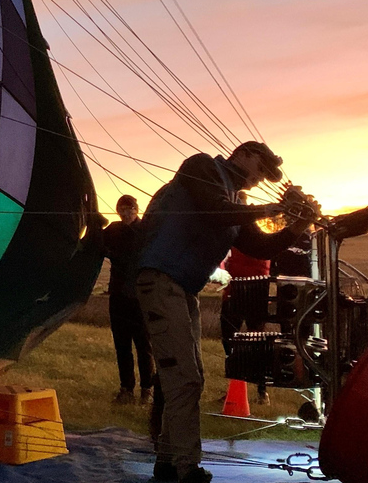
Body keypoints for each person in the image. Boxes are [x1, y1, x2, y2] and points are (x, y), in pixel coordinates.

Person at [134, 141, 318, 483]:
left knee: (187, 379)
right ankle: (186, 469)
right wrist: (276, 208)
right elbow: (214, 210)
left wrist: (294, 227)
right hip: (160, 279)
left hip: (182, 289)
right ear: (244, 155)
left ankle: (168, 461)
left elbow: (258, 245)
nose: (261, 178)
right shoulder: (201, 166)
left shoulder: (238, 203)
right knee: (185, 378)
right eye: (261, 169)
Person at [103, 195, 155, 405]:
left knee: (144, 346)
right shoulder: (114, 230)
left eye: (129, 208)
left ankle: (146, 389)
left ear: (137, 209)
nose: (126, 213)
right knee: (121, 345)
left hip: (140, 297)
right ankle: (126, 388)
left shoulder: (146, 231)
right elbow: (95, 243)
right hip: (118, 295)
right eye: (122, 209)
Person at [220, 245, 271, 405]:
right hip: (238, 288)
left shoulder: (260, 233)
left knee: (255, 342)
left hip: (252, 289)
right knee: (230, 340)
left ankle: (261, 391)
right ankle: (238, 388)